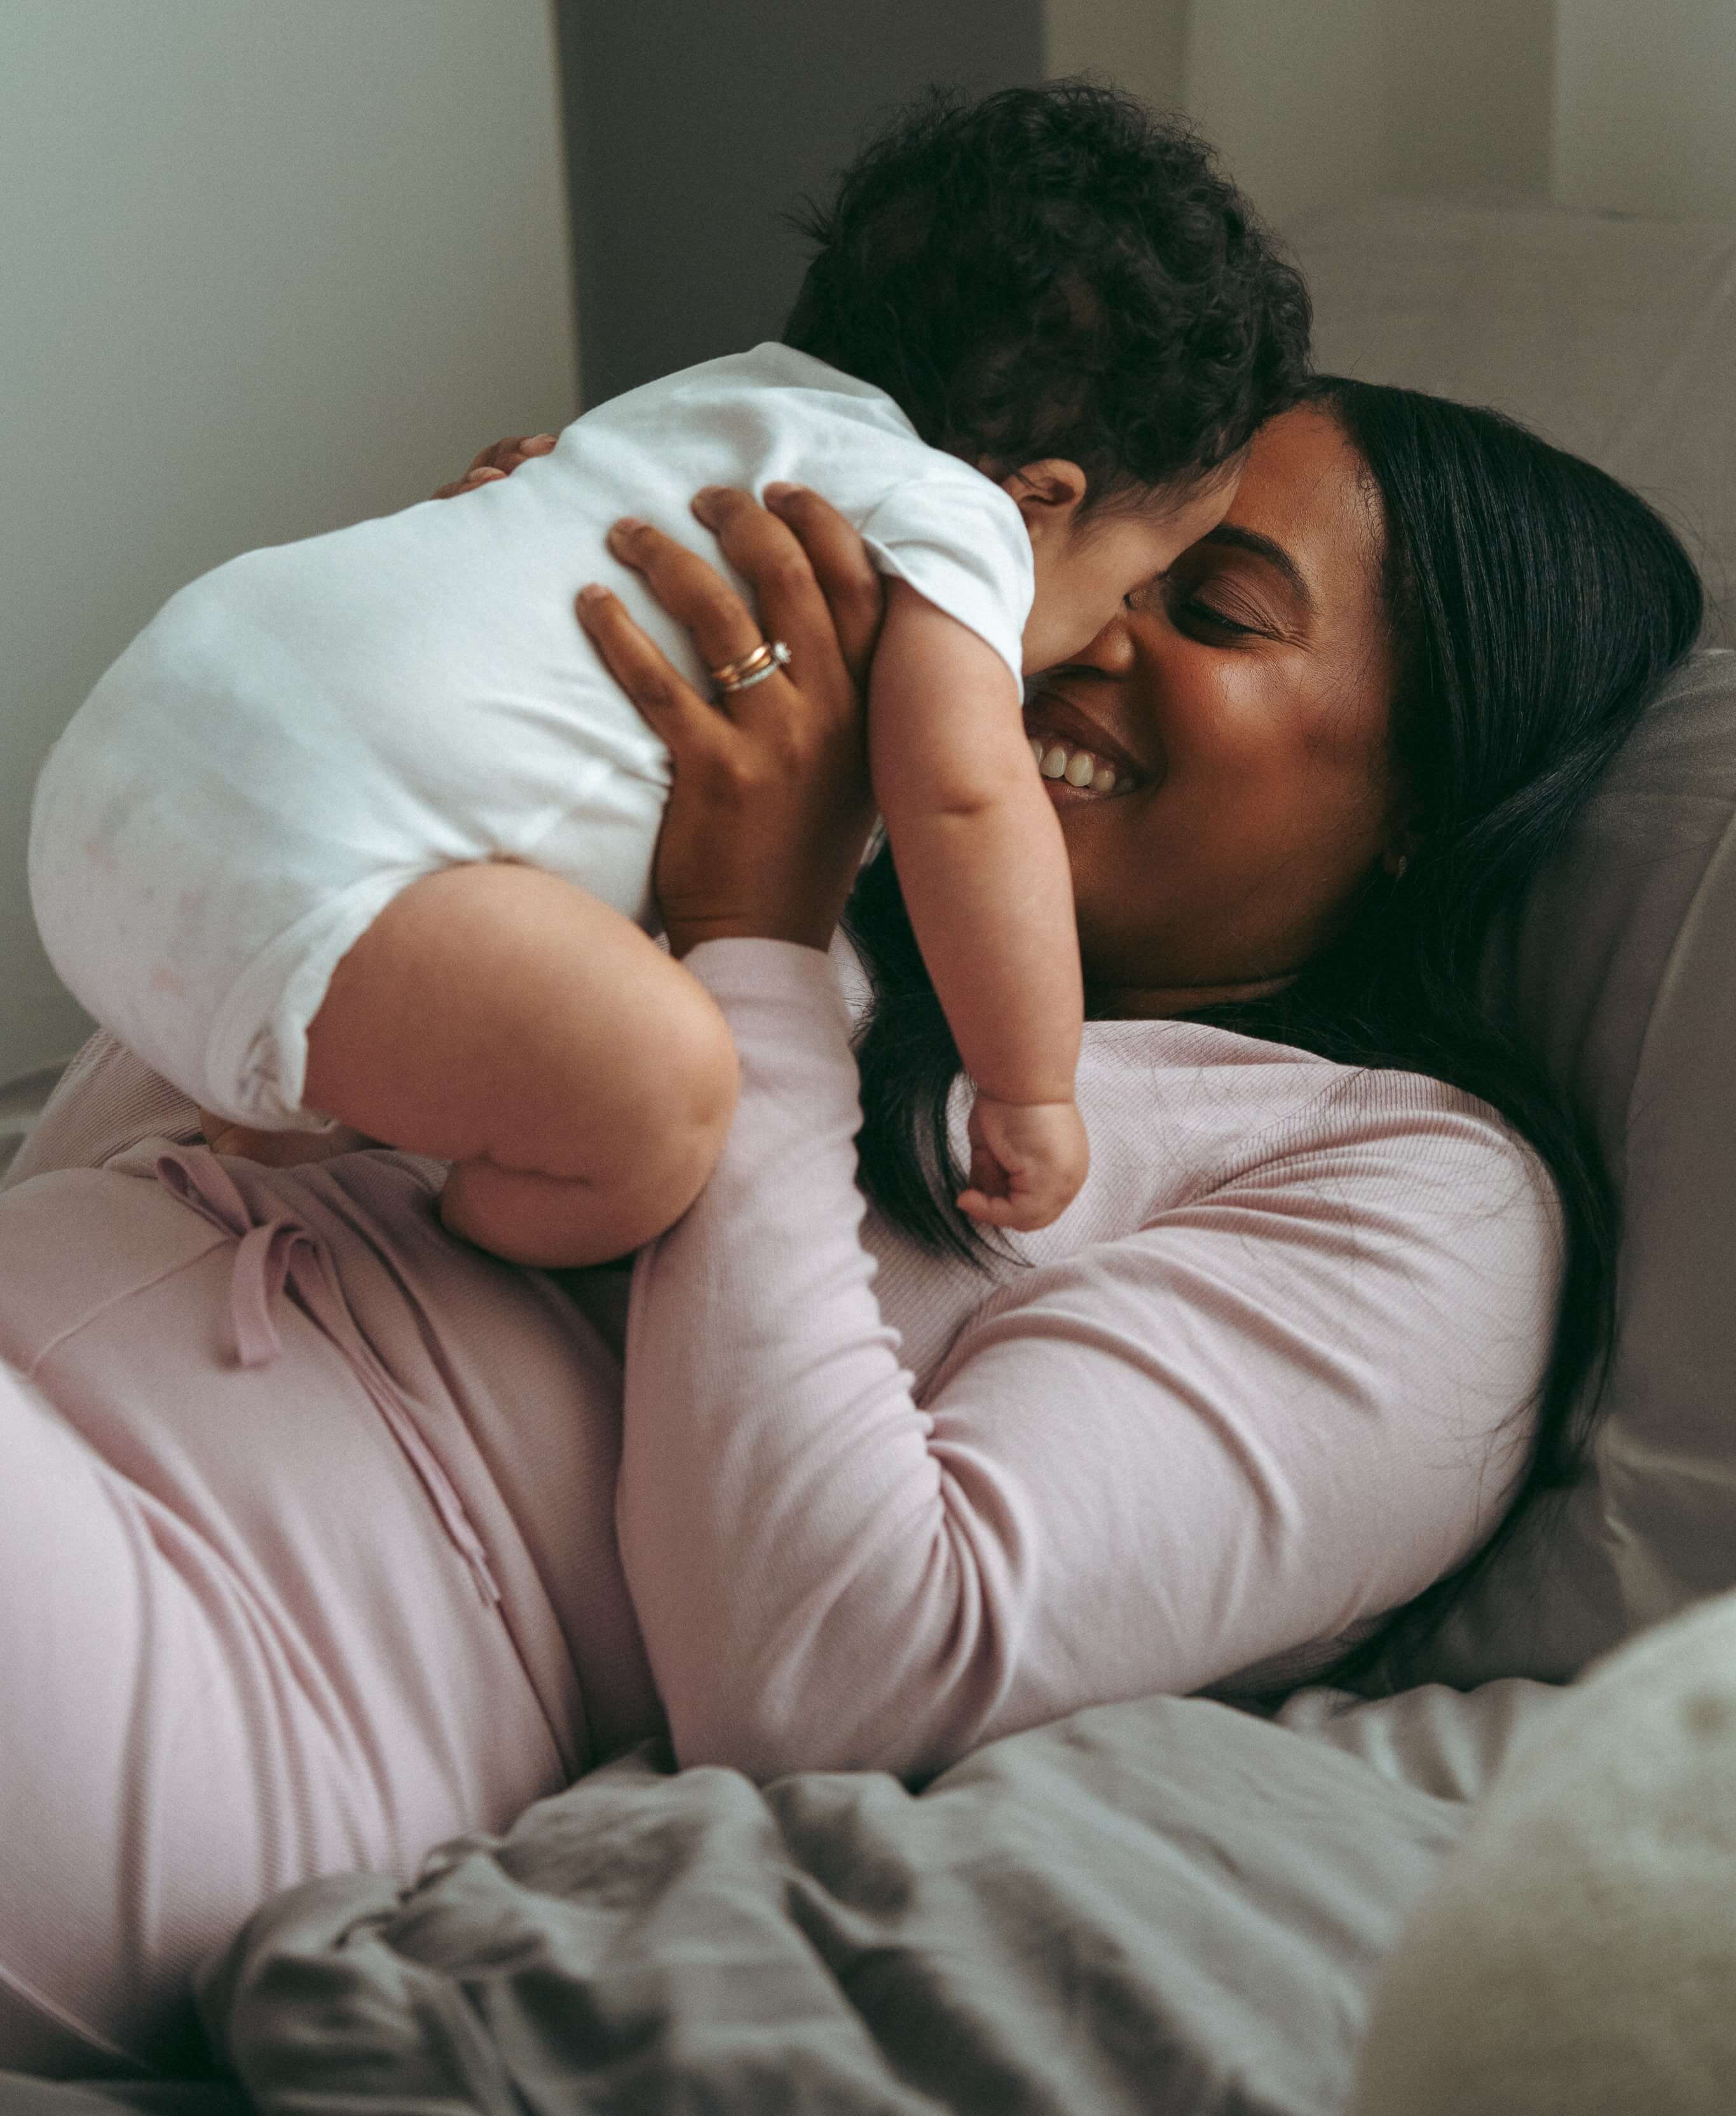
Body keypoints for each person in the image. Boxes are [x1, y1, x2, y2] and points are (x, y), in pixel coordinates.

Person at [0, 380, 1700, 2078]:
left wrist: (759, 936)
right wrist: (416, 734)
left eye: (1211, 608)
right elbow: (198, 1116)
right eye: (1097, 554)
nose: (1089, 627)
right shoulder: (784, 851)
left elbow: (842, 1674)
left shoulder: (1403, 1190)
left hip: (231, 1654)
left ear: (1423, 792)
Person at [27, 86, 1312, 1259]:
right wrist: (1030, 1084)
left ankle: (280, 1115)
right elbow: (970, 808)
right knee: (658, 1094)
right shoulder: (952, 517)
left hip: (133, 744)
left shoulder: (704, 402)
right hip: (311, 872)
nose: (1102, 637)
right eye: (1141, 578)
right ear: (1040, 499)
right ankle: (452, 1222)